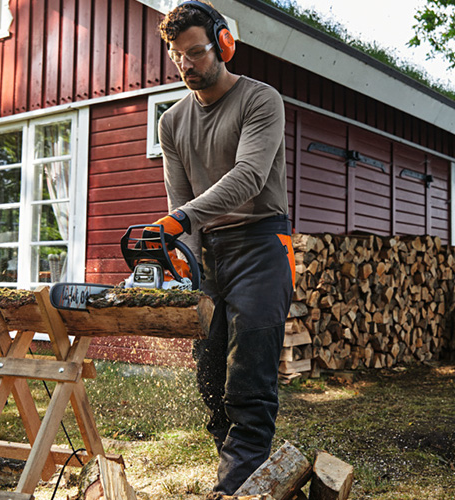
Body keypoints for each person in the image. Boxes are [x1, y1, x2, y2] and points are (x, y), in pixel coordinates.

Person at [153, 1, 295, 495]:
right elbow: (179, 202)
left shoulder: (261, 100)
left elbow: (250, 177)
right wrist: (180, 254)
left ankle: (232, 489)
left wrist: (183, 218)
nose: (186, 65)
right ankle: (243, 475)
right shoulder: (171, 122)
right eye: (177, 57)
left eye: (194, 53)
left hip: (262, 245)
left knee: (249, 381)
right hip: (209, 253)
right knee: (211, 380)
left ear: (224, 44)